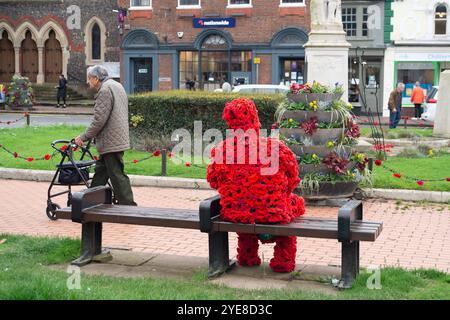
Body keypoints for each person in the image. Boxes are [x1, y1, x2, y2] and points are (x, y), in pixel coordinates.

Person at [74, 65, 137, 206]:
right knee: (101, 172)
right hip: (115, 138)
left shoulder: (104, 90)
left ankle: (129, 206)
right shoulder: (116, 85)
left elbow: (99, 120)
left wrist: (83, 137)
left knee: (117, 174)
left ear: (96, 78)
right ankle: (90, 202)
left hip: (111, 141)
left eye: (89, 79)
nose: (89, 83)